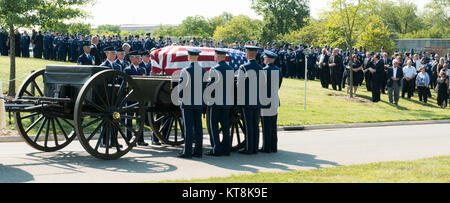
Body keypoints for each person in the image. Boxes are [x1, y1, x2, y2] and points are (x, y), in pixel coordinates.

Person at [205, 48, 234, 157]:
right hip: (226, 101)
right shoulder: (230, 69)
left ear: (218, 57)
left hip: (215, 102)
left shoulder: (214, 69)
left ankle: (216, 148)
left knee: (213, 125)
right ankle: (226, 149)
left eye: (215, 55)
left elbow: (210, 86)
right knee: (225, 126)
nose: (214, 57)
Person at [178, 48, 206, 159]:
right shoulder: (203, 70)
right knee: (198, 127)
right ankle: (198, 151)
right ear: (197, 57)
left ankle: (187, 151)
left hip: (188, 102)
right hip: (199, 101)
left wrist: (181, 98)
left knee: (188, 127)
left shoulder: (185, 71)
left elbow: (181, 88)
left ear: (189, 57)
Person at [237, 45, 262, 155]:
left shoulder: (244, 67)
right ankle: (255, 148)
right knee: (255, 125)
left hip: (247, 100)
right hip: (257, 100)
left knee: (248, 125)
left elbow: (239, 85)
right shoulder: (260, 68)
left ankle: (249, 148)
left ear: (247, 54)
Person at [123, 51, 148, 146]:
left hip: (139, 98)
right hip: (130, 98)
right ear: (131, 59)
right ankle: (128, 139)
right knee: (128, 119)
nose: (139, 59)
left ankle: (140, 139)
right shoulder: (127, 70)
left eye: (139, 57)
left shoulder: (142, 69)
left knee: (140, 119)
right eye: (137, 57)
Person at [260, 50, 283, 153]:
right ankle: (273, 146)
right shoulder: (278, 70)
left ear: (268, 59)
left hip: (266, 100)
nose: (264, 59)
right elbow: (278, 85)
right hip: (274, 99)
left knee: (266, 124)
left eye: (265, 57)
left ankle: (266, 147)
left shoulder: (264, 71)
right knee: (273, 124)